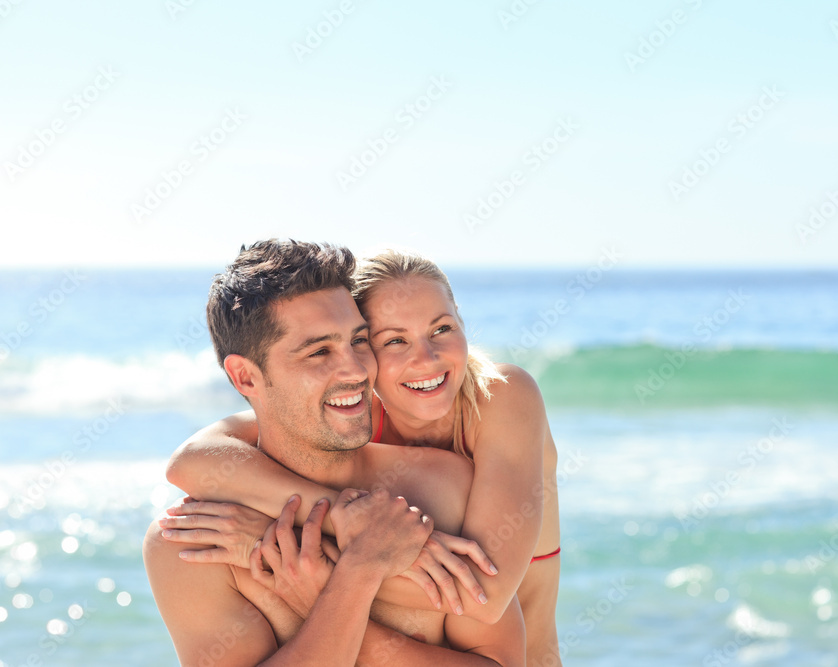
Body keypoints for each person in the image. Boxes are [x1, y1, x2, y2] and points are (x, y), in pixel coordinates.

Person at [162, 248, 562, 666]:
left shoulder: (500, 398)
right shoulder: (355, 412)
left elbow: (480, 593)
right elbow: (191, 461)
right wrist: (344, 518)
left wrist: (276, 545)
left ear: (462, 320)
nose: (425, 358)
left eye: (441, 328)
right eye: (394, 340)